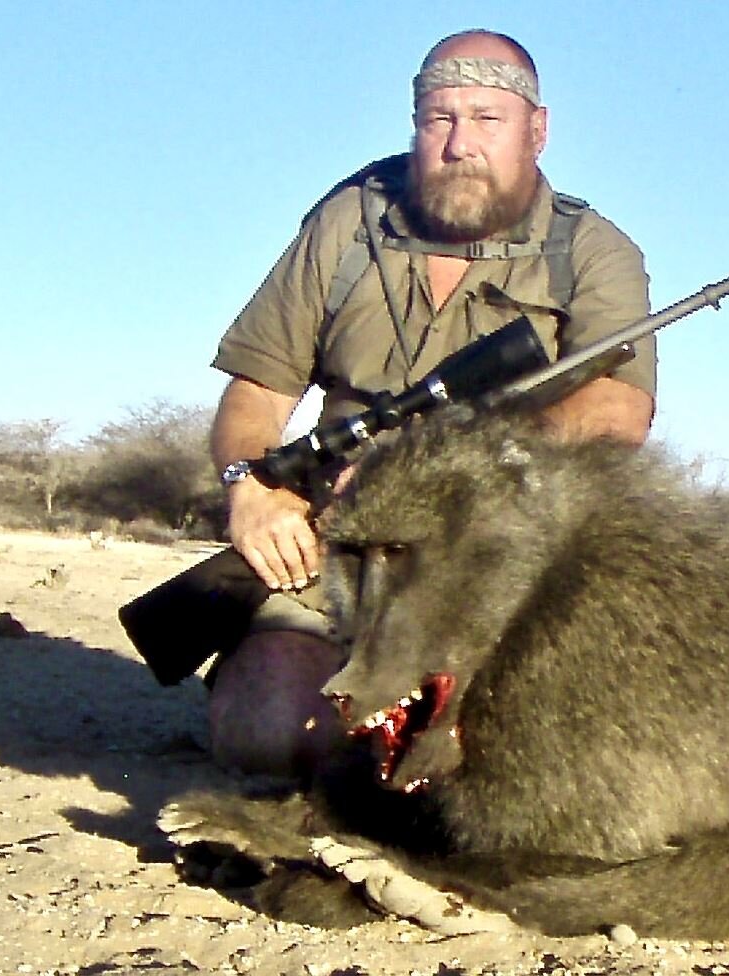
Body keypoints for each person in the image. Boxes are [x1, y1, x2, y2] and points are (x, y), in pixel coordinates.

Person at [205, 29, 657, 777]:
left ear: (536, 131)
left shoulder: (596, 251)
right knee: (268, 730)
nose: (458, 143)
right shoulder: (347, 222)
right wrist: (250, 491)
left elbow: (616, 415)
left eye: (487, 119)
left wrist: (430, 468)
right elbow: (256, 391)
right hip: (337, 546)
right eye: (439, 120)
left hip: (491, 560)